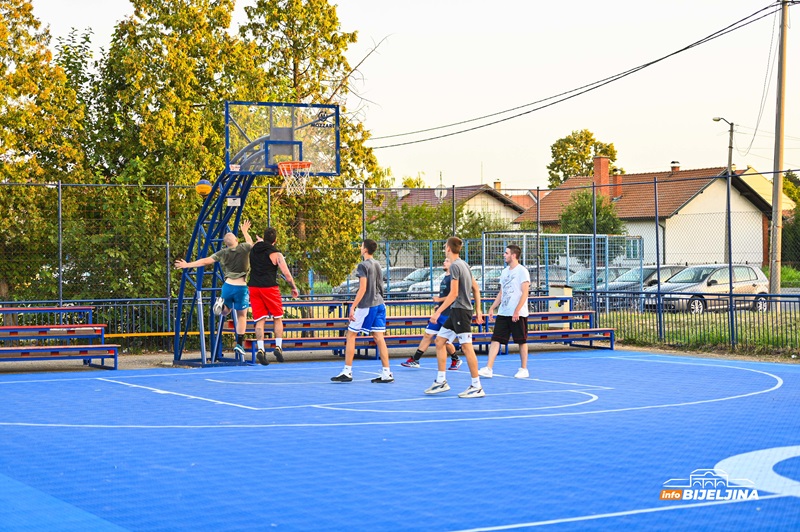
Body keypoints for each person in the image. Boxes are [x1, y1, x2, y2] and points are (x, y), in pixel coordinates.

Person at [174, 220, 254, 360]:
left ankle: (221, 305)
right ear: (236, 239)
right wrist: (245, 231)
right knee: (242, 316)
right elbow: (251, 244)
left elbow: (205, 261)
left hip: (228, 286)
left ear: (225, 244)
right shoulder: (244, 248)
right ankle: (239, 343)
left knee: (226, 311)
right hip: (241, 286)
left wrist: (188, 264)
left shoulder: (223, 253)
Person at [423, 236, 485, 398]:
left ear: (449, 249)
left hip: (461, 312)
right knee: (440, 341)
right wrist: (478, 310)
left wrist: (438, 311)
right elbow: (476, 289)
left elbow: (454, 294)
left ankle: (476, 386)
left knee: (466, 347)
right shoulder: (464, 264)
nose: (444, 249)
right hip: (458, 311)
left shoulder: (457, 266)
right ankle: (441, 381)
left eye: (445, 247)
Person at [331, 239, 394, 383]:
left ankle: (347, 371)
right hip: (380, 303)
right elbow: (380, 285)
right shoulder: (377, 264)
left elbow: (363, 288)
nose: (360, 248)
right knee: (379, 338)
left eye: (361, 246)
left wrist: (352, 307)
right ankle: (387, 372)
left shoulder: (363, 265)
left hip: (367, 305)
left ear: (365, 249)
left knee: (351, 334)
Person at [248, 226, 299, 366]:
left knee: (260, 319)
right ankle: (278, 347)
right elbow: (287, 275)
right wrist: (293, 287)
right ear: (275, 240)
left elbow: (254, 244)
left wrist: (258, 241)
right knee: (277, 317)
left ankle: (261, 349)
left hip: (253, 287)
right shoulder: (276, 254)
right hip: (269, 287)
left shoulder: (254, 249)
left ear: (263, 238)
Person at [479, 245, 531, 379]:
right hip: (503, 312)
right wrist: (492, 308)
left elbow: (525, 293)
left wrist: (517, 311)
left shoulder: (522, 271)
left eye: (506, 253)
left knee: (521, 341)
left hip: (518, 313)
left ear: (513, 255)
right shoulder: (504, 272)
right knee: (496, 339)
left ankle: (524, 369)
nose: (504, 255)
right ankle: (489, 368)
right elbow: (501, 293)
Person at [400, 258, 462, 369]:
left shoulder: (454, 278)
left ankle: (455, 359)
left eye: (447, 261)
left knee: (445, 342)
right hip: (441, 313)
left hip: (451, 314)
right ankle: (415, 359)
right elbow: (444, 295)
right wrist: (438, 306)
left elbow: (454, 296)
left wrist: (439, 300)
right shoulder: (445, 277)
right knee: (428, 335)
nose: (444, 262)